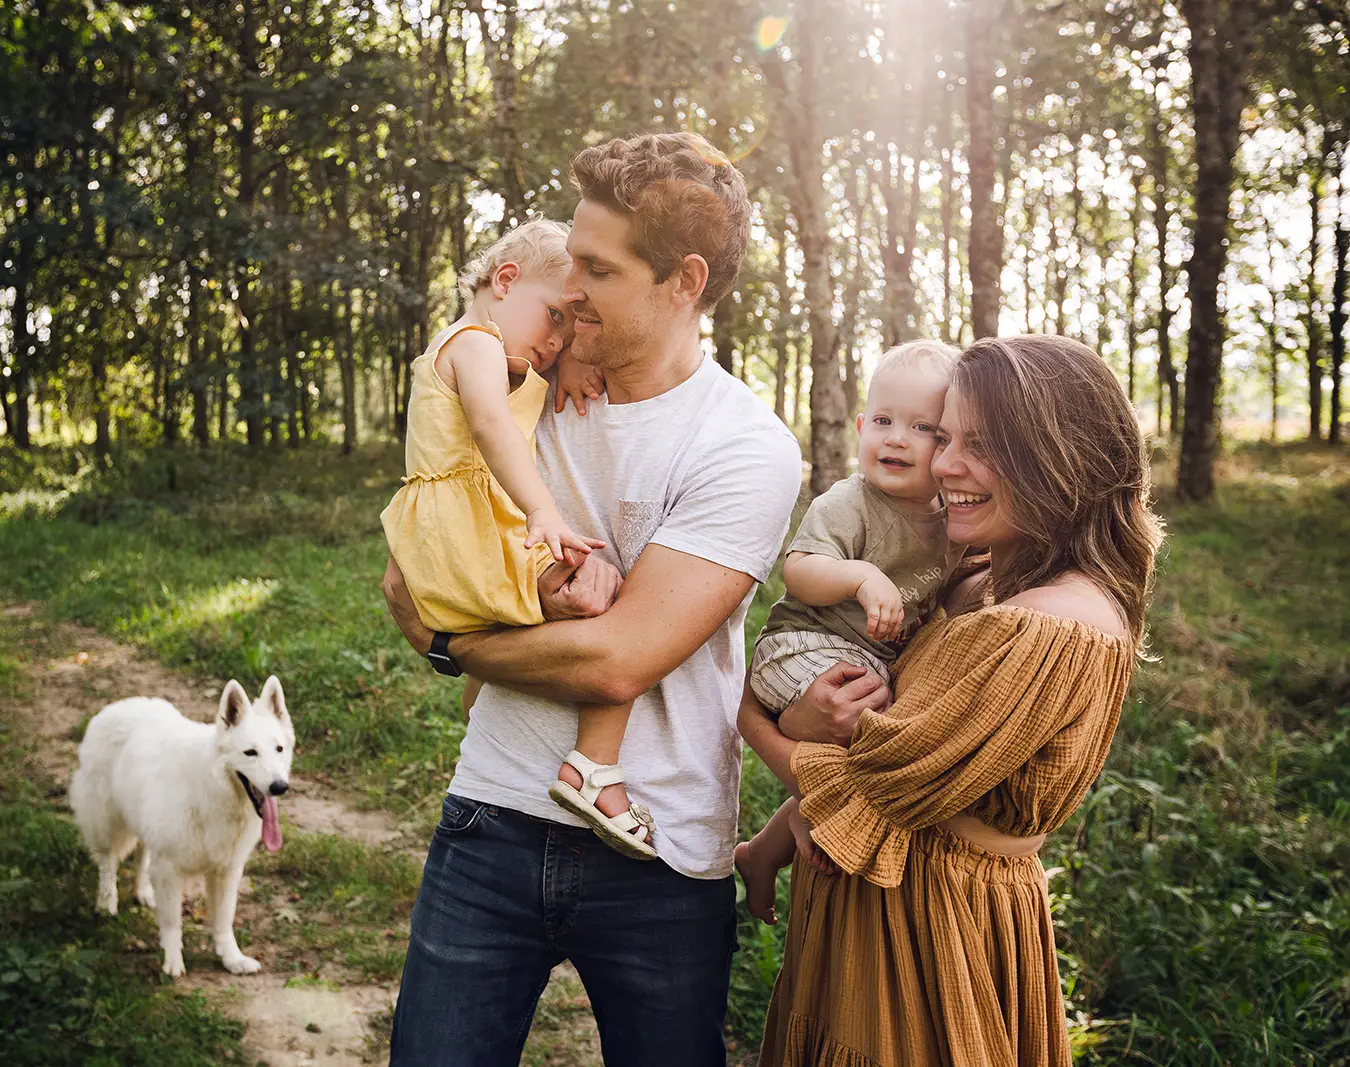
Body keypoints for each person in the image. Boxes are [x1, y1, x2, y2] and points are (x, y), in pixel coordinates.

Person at [380, 131, 802, 1066]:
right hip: (492, 811)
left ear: (684, 282)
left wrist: (450, 646)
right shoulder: (525, 379)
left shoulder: (745, 447)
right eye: (569, 258)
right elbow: (425, 532)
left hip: (660, 852)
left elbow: (619, 657)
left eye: (598, 270)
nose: (568, 286)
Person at [743, 335, 1162, 1067]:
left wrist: (751, 717)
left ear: (1058, 456)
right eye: (947, 436)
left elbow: (871, 792)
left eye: (979, 444)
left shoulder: (1053, 625)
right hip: (874, 922)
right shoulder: (979, 579)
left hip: (932, 947)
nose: (942, 463)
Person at [378, 218, 658, 857]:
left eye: (571, 328)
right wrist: (543, 511)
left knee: (520, 627)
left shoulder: (505, 357)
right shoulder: (472, 342)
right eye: (555, 317)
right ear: (505, 281)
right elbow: (488, 425)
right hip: (462, 531)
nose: (559, 340)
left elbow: (519, 386)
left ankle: (483, 715)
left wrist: (566, 371)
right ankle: (594, 764)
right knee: (599, 590)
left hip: (457, 533)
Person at [734, 339, 964, 925]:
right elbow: (799, 572)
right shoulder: (849, 502)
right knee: (871, 725)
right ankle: (819, 811)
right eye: (883, 421)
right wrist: (859, 575)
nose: (895, 438)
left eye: (921, 427)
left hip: (867, 660)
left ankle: (762, 853)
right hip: (799, 646)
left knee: (890, 723)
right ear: (861, 425)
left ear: (947, 445)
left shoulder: (949, 519)